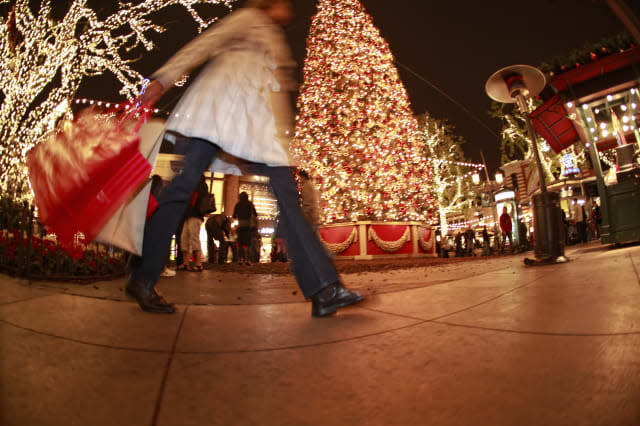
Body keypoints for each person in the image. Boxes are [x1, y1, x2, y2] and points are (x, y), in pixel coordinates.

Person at [127, 0, 363, 316]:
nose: (288, 8)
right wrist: (164, 78)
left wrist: (280, 142)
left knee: (288, 202)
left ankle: (324, 289)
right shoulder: (248, 18)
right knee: (180, 192)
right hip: (215, 114)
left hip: (258, 130)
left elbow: (275, 92)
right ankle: (143, 276)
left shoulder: (275, 38)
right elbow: (205, 43)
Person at [177, 174, 208, 272]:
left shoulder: (201, 185)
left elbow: (197, 198)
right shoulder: (193, 185)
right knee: (184, 238)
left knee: (194, 237)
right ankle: (185, 263)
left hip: (195, 214)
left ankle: (199, 263)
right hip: (187, 214)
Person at [233, 191, 257, 266]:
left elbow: (234, 215)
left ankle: (240, 260)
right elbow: (255, 214)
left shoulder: (238, 204)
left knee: (240, 244)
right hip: (248, 226)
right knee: (248, 244)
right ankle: (247, 260)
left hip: (240, 226)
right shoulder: (250, 204)